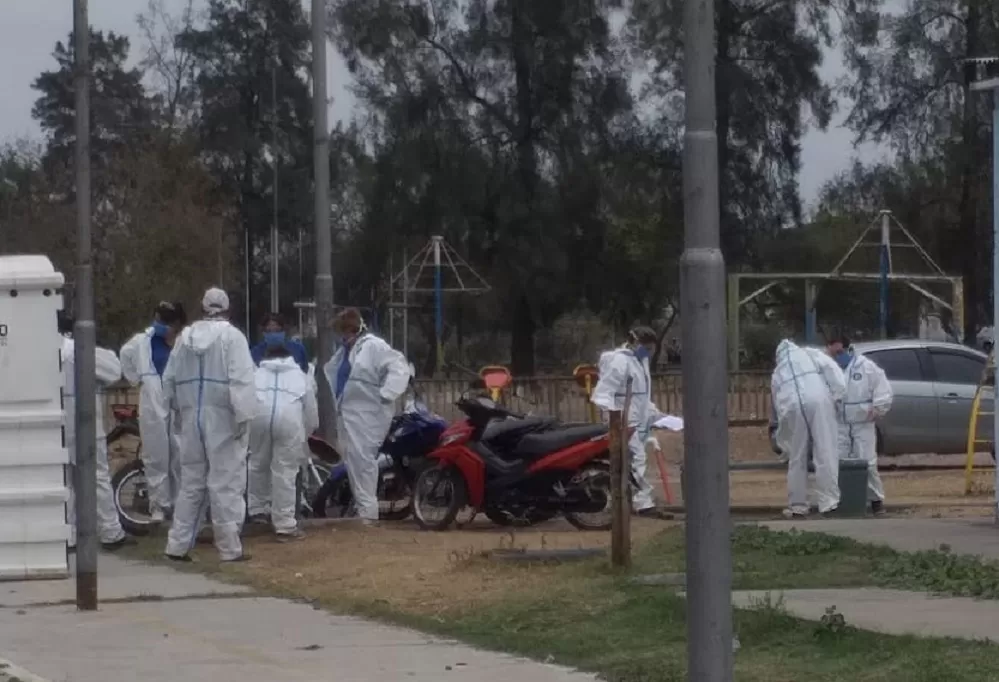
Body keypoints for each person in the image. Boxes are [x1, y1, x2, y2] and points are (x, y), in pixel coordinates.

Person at [163, 288, 258, 562]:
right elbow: (242, 380)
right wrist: (244, 418)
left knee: (191, 483)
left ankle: (177, 546)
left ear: (202, 308)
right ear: (227, 308)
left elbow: (168, 380)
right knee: (225, 483)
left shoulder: (184, 339)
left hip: (192, 415)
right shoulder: (233, 337)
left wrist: (178, 411)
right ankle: (229, 548)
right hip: (224, 418)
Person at [323, 307, 411, 524]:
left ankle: (369, 513)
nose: (341, 337)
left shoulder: (373, 346)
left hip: (369, 415)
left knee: (364, 462)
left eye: (343, 331)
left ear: (353, 329)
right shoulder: (345, 352)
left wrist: (386, 393)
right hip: (350, 415)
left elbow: (399, 366)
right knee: (354, 462)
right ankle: (365, 511)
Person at [59, 311, 131, 550]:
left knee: (65, 479)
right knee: (96, 476)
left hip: (56, 421)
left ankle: (68, 535)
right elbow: (113, 372)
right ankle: (111, 532)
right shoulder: (77, 349)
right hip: (84, 418)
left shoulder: (42, 349)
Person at [119, 301, 187, 524]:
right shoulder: (143, 342)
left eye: (164, 321)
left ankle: (179, 504)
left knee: (180, 455)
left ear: (176, 324)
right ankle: (158, 505)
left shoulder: (185, 343)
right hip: (152, 398)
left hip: (178, 399)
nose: (158, 324)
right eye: (157, 319)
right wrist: (135, 379)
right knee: (156, 456)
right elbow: (124, 354)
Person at [591, 327, 667, 518]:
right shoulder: (620, 361)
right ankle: (642, 504)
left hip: (637, 418)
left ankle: (629, 500)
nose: (649, 352)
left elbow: (642, 394)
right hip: (626, 419)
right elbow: (603, 393)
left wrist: (654, 413)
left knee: (632, 461)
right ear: (635, 343)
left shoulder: (639, 361)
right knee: (635, 460)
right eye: (647, 347)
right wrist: (615, 418)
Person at [247, 344, 319, 540]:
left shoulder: (256, 374)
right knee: (285, 471)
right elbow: (311, 413)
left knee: (257, 465)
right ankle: (285, 524)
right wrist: (307, 434)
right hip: (290, 420)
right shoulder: (300, 376)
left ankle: (257, 511)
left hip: (259, 418)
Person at [771, 339, 847, 518]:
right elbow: (832, 370)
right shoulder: (810, 353)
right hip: (819, 400)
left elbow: (777, 400)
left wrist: (784, 431)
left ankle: (798, 506)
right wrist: (837, 395)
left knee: (797, 456)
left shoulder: (778, 371)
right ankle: (829, 504)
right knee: (826, 450)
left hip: (793, 406)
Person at [826, 335, 893, 516]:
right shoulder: (828, 369)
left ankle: (876, 501)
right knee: (837, 463)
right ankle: (840, 501)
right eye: (833, 354)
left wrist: (879, 407)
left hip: (862, 423)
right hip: (838, 423)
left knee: (868, 463)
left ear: (849, 349)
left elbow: (883, 388)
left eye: (839, 353)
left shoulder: (866, 367)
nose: (837, 357)